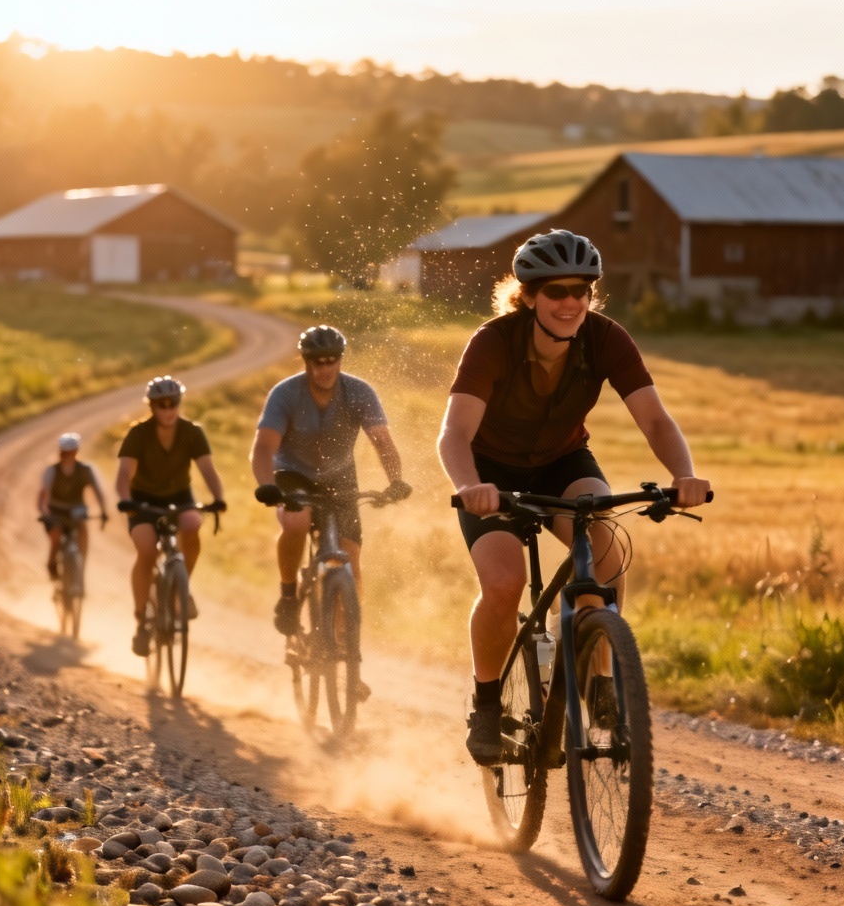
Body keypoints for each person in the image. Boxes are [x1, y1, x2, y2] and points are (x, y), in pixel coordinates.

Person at [437, 229, 711, 765]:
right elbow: (454, 433)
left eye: (582, 290)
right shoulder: (494, 342)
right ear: (529, 295)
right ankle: (488, 705)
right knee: (504, 581)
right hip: (491, 474)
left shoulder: (606, 339)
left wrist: (684, 475)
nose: (570, 302)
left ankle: (600, 680)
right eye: (556, 291)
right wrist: (470, 487)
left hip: (563, 462)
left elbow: (654, 418)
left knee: (604, 552)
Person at [250, 324, 411, 643]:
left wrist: (395, 481)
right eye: (317, 361)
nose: (325, 368)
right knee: (297, 520)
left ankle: (346, 645)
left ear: (340, 359)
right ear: (306, 361)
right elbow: (264, 447)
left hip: (339, 475)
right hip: (293, 473)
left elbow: (382, 441)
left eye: (331, 360)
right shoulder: (285, 394)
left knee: (351, 557)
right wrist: (266, 484)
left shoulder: (359, 391)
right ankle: (288, 596)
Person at [116, 376, 226, 657]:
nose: (167, 410)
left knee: (193, 525)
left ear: (179, 403)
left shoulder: (192, 432)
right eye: (161, 405)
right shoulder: (138, 434)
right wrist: (126, 500)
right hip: (143, 502)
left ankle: (180, 587)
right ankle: (142, 620)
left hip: (179, 498)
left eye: (173, 403)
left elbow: (207, 470)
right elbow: (123, 475)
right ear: (152, 407)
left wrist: (218, 498)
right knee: (146, 550)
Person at [37, 432, 109, 579]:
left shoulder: (85, 470)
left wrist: (103, 510)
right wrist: (45, 513)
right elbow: (43, 497)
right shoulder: (52, 471)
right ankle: (52, 564)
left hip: (77, 511)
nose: (68, 454)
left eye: (71, 451)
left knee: (83, 531)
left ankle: (81, 569)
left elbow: (97, 491)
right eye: (65, 451)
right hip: (56, 511)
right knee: (56, 536)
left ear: (76, 451)